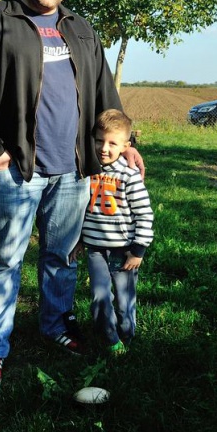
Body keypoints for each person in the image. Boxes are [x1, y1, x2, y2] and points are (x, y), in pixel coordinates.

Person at [0, 0, 142, 392]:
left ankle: (55, 325)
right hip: (16, 168)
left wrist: (125, 142)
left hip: (74, 169)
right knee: (4, 260)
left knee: (61, 257)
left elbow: (103, 94)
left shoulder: (80, 30)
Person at [71, 109, 154, 356]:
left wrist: (138, 250)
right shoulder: (87, 171)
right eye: (99, 141)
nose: (104, 148)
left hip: (124, 250)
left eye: (112, 143)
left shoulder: (129, 176)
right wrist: (79, 241)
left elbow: (145, 214)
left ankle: (126, 332)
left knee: (124, 298)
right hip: (95, 249)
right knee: (99, 295)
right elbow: (80, 210)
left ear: (126, 146)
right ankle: (109, 337)